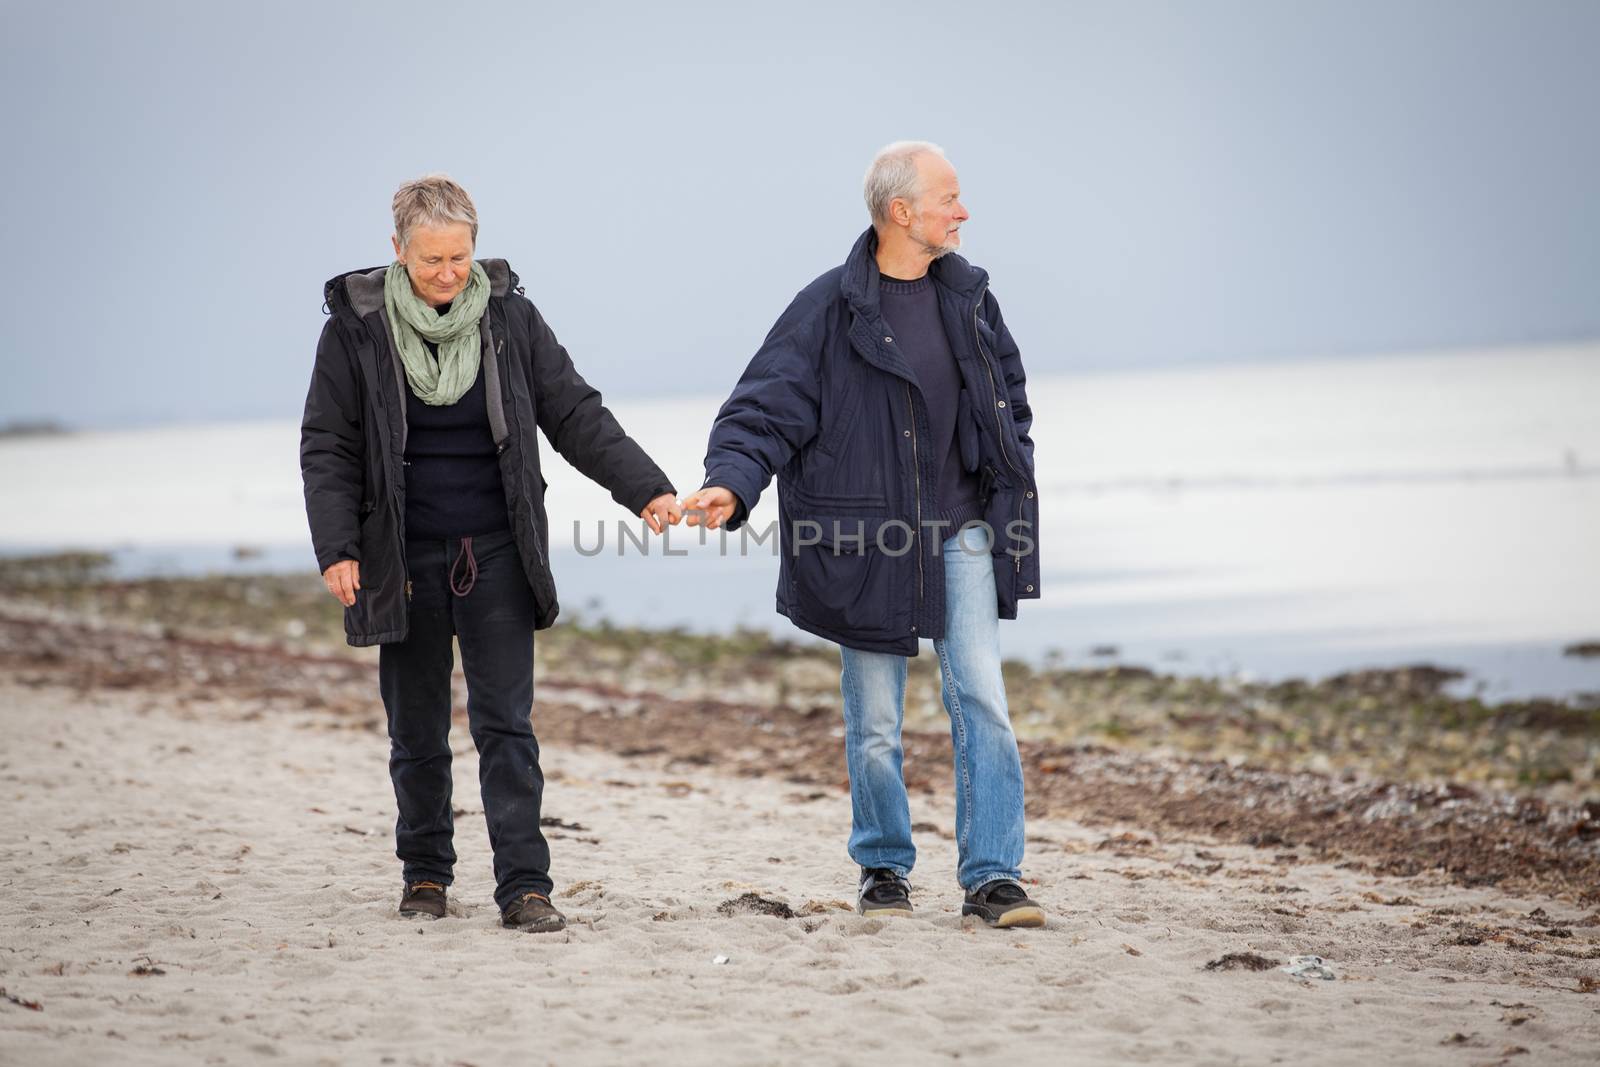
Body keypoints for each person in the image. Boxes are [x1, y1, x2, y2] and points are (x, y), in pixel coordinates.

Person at [301, 174, 681, 932]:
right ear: (398, 250)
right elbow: (328, 445)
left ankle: (525, 887)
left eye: (460, 257)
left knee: (506, 725)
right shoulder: (356, 328)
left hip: (497, 553)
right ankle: (426, 876)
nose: (448, 275)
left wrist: (646, 489)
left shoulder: (508, 317)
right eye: (432, 259)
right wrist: (338, 545)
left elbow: (574, 413)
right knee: (415, 730)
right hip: (398, 560)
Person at [685, 142, 1044, 928]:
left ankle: (993, 876)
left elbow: (1009, 397)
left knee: (980, 694)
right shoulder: (829, 309)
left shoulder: (973, 299)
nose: (964, 210)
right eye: (950, 197)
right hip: (867, 541)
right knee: (875, 718)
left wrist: (1009, 462)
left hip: (964, 532)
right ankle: (884, 865)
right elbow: (764, 407)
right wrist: (731, 482)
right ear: (902, 211)